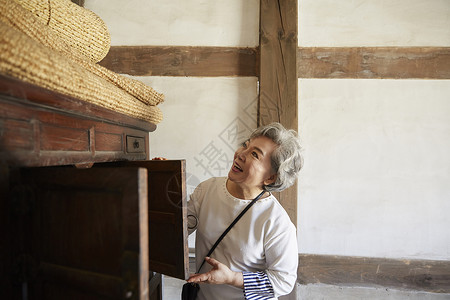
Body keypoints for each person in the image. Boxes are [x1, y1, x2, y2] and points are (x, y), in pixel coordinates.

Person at [186, 122, 303, 300]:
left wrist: (233, 278)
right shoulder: (207, 189)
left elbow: (283, 281)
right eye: (245, 145)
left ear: (271, 177)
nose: (240, 154)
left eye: (254, 154)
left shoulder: (277, 222)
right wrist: (161, 178)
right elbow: (180, 227)